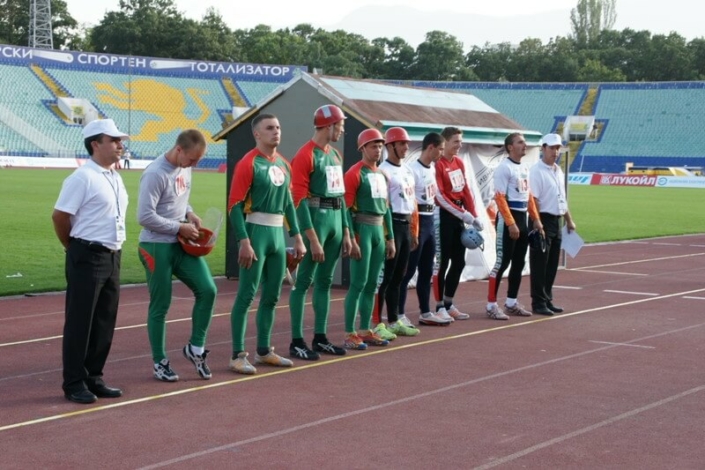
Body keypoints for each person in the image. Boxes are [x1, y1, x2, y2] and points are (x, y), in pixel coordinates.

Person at [52, 118, 129, 404]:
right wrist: (73, 247)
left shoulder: (114, 176)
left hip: (112, 254)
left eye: (120, 140)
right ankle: (73, 382)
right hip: (87, 254)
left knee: (104, 320)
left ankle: (94, 376)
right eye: (114, 140)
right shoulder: (82, 177)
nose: (120, 145)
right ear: (95, 144)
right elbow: (60, 216)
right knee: (80, 322)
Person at [228, 114, 306, 375]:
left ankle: (263, 351)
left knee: (272, 295)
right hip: (255, 232)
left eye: (278, 127)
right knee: (247, 295)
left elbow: (288, 204)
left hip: (276, 235)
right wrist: (244, 241)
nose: (276, 131)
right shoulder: (248, 163)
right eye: (270, 128)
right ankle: (237, 355)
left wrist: (297, 237)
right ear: (257, 134)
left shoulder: (284, 164)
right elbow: (234, 206)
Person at [137, 129, 217, 382]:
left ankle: (195, 348)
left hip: (181, 244)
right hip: (155, 246)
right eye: (192, 159)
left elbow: (180, 198)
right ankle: (159, 362)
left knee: (208, 290)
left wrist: (189, 213)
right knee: (161, 305)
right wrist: (178, 227)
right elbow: (144, 216)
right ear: (179, 149)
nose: (194, 165)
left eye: (198, 160)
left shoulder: (185, 167)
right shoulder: (155, 173)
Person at [288, 105, 353, 361]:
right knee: (303, 282)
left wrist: (346, 231)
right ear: (328, 125)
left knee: (325, 282)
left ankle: (320, 337)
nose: (342, 130)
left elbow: (341, 195)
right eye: (340, 126)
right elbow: (298, 198)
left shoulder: (335, 154)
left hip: (335, 220)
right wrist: (312, 238)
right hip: (316, 221)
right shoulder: (305, 155)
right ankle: (296, 341)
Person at [343, 128, 396, 350]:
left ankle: (365, 329)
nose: (378, 150)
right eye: (374, 146)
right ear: (362, 148)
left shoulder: (382, 175)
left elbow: (386, 208)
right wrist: (351, 238)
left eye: (380, 146)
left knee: (373, 283)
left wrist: (390, 238)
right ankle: (349, 333)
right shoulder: (354, 173)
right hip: (362, 229)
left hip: (378, 231)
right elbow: (345, 209)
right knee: (358, 283)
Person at [486, 133, 543, 320]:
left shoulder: (524, 167)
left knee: (519, 263)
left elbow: (528, 195)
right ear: (510, 147)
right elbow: (499, 197)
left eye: (524, 142)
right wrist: (511, 223)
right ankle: (491, 305)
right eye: (520, 142)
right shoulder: (504, 168)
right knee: (502, 263)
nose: (524, 145)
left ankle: (511, 302)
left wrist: (535, 218)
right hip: (508, 219)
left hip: (522, 218)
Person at [399, 132, 452, 326]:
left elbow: (435, 197)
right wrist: (413, 229)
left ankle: (425, 312)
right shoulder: (412, 170)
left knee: (427, 270)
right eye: (440, 149)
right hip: (418, 221)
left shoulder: (432, 169)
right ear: (431, 147)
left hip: (430, 221)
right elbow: (410, 200)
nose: (442, 153)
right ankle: (398, 313)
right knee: (408, 270)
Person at [374, 127, 420, 339]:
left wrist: (414, 230)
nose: (406, 147)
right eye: (402, 143)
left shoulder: (408, 170)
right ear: (390, 146)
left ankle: (393, 321)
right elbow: (384, 205)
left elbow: (413, 202)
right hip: (391, 224)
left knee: (399, 277)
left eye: (407, 144)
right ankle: (377, 323)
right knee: (385, 277)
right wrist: (388, 235)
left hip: (406, 225)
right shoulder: (383, 171)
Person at [433, 127, 483, 321]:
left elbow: (465, 191)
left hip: (460, 218)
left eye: (460, 141)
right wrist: (465, 214)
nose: (459, 145)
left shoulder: (459, 162)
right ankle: (439, 307)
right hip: (444, 217)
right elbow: (440, 196)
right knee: (442, 263)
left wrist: (474, 215)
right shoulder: (438, 164)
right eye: (456, 141)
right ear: (445, 142)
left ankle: (448, 303)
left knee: (459, 261)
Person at [529, 133, 576, 315]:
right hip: (542, 219)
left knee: (552, 264)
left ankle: (547, 299)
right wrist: (537, 221)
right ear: (543, 148)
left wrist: (569, 220)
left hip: (556, 220)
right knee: (540, 264)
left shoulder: (558, 170)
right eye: (552, 148)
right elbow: (533, 199)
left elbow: (561, 198)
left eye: (557, 148)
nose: (555, 152)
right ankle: (538, 302)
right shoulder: (536, 171)